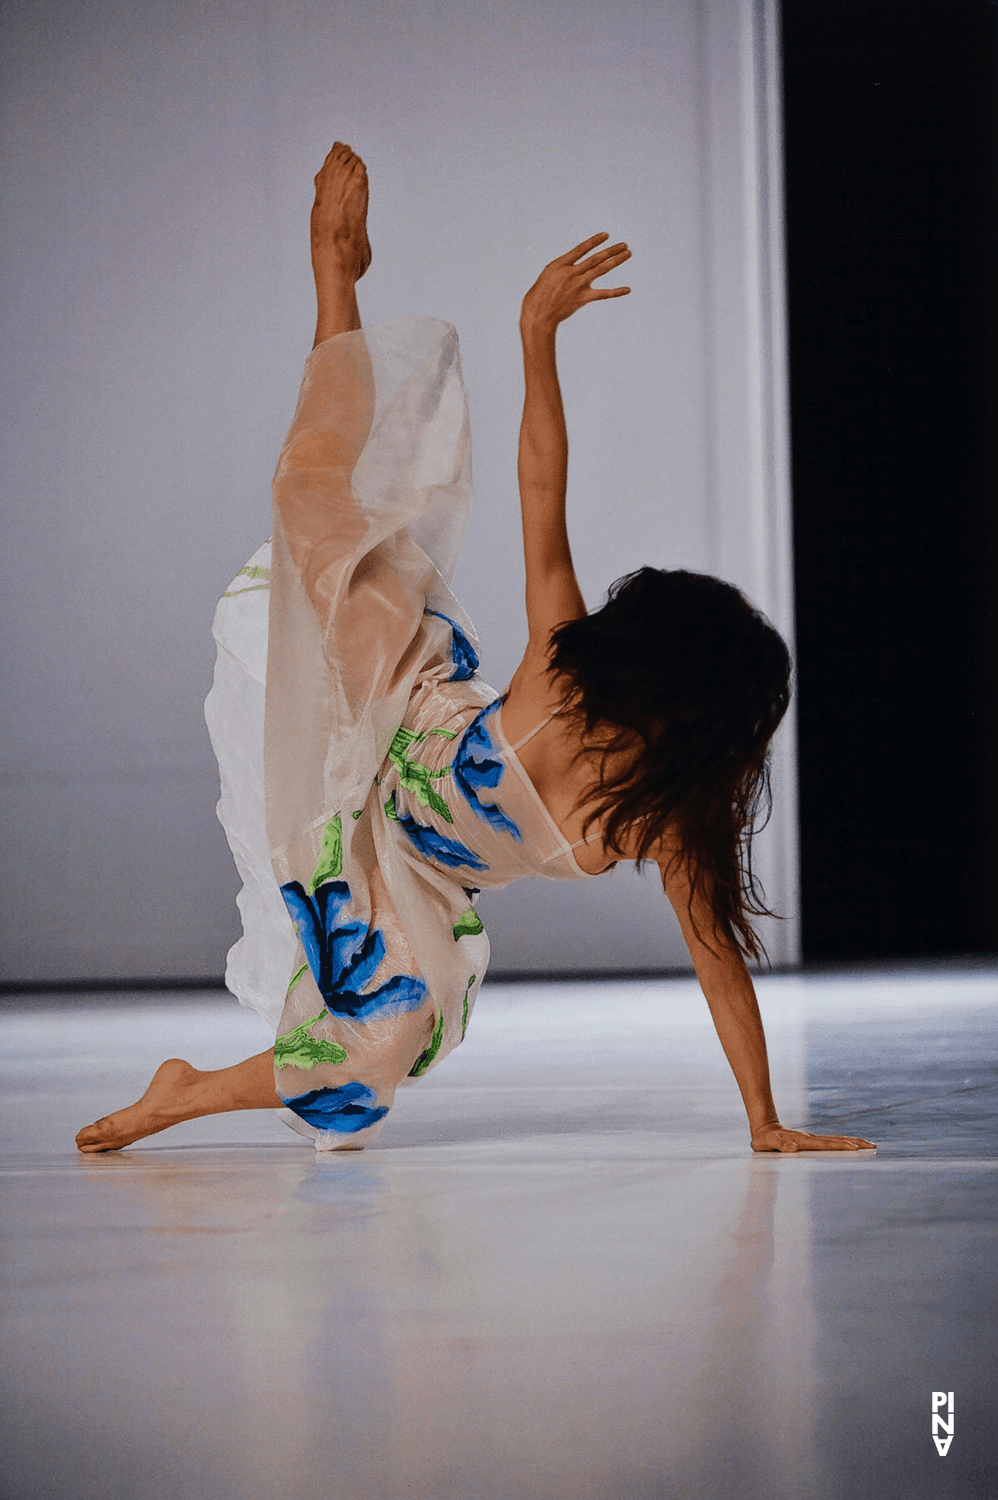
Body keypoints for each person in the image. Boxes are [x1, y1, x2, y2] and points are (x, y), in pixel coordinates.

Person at [77, 143, 874, 1156]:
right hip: (391, 695)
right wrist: (534, 336)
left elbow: (715, 955)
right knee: (322, 508)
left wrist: (762, 1120)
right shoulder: (564, 664)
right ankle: (335, 278)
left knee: (357, 1088)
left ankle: (180, 1092)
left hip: (409, 871)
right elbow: (542, 488)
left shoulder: (666, 822)